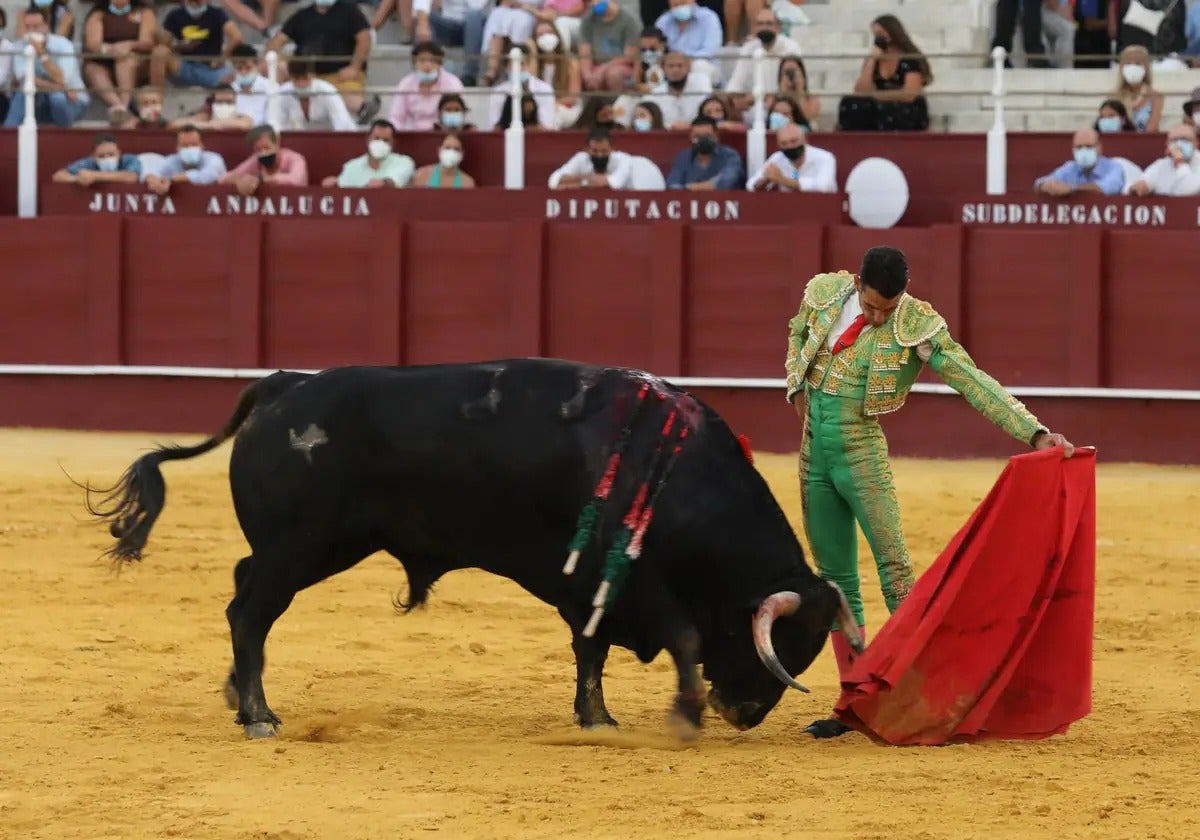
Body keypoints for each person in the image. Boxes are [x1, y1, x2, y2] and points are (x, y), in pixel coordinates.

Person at [785, 246, 1075, 739]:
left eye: (888, 310)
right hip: (814, 454)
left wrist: (1034, 432)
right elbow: (797, 331)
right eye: (873, 307)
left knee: (896, 572)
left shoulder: (917, 325)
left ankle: (925, 697)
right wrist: (794, 384)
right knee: (834, 581)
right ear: (858, 283)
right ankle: (853, 700)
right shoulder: (826, 293)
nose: (878, 318)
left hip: (860, 454)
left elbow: (971, 380)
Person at [838, 14, 931, 132]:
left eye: (881, 34)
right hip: (878, 105)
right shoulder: (874, 61)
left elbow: (909, 95)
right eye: (875, 35)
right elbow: (860, 91)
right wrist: (872, 60)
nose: (878, 39)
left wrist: (876, 96)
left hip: (905, 108)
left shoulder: (909, 59)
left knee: (888, 110)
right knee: (850, 103)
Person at [3, 7, 89, 127]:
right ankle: (7, 137)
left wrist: (42, 54)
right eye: (28, 27)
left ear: (46, 25)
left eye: (36, 26)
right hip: (41, 99)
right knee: (23, 94)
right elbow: (26, 79)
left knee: (57, 98)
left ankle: (63, 138)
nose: (32, 31)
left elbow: (62, 78)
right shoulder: (19, 46)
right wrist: (57, 87)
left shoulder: (64, 45)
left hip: (72, 102)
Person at [322, 120, 416, 188]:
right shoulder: (351, 167)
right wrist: (333, 185)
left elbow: (394, 182)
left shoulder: (404, 163)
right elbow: (341, 190)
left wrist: (383, 184)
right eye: (376, 138)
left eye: (385, 140)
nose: (380, 143)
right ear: (368, 140)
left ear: (392, 144)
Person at [1033, 127, 1124, 196]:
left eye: (1089, 147)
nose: (1084, 152)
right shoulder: (1070, 167)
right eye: (1079, 147)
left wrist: (1071, 188)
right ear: (1073, 149)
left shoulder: (1114, 167)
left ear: (1099, 147)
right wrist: (1045, 186)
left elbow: (1106, 188)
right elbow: (1039, 183)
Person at [746, 122, 835, 192]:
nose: (789, 146)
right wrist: (765, 180)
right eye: (784, 143)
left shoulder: (824, 158)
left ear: (805, 140)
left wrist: (782, 180)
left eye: (794, 141)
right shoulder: (777, 159)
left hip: (820, 207)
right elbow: (750, 185)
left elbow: (824, 187)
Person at [1127, 124, 1200, 197]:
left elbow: (1186, 191)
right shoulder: (1161, 165)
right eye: (1174, 140)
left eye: (1185, 139)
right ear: (1167, 144)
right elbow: (1143, 183)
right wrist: (1140, 187)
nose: (1179, 144)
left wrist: (1179, 161)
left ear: (1196, 143)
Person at [548, 126, 633, 188]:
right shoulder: (581, 158)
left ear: (612, 149)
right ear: (587, 150)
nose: (599, 155)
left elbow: (614, 184)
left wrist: (575, 184)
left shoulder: (623, 159)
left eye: (604, 151)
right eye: (595, 151)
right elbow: (553, 180)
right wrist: (584, 177)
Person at [52, 132, 142, 186]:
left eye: (111, 154)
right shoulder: (88, 163)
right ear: (94, 157)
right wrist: (77, 179)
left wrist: (94, 176)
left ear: (119, 153)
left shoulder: (130, 159)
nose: (107, 158)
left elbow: (131, 177)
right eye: (101, 156)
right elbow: (58, 176)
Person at [412, 132, 477, 188]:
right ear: (439, 151)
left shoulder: (467, 183)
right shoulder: (422, 174)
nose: (451, 152)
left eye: (456, 149)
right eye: (447, 148)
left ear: (462, 154)